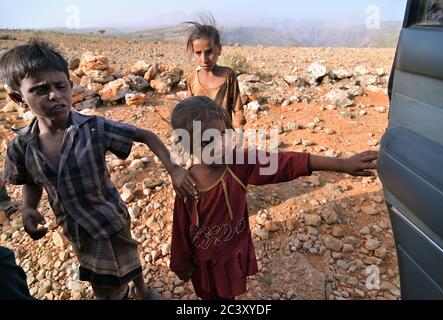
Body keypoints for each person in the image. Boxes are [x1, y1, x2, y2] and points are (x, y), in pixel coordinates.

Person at [0, 39, 198, 300]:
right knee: (100, 277)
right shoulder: (21, 146)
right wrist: (28, 207)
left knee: (129, 257)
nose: (54, 95)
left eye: (60, 86)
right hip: (76, 229)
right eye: (40, 89)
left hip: (111, 217)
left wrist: (174, 169)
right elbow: (31, 180)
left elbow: (147, 136)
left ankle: (141, 289)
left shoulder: (94, 128)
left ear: (71, 86)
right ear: (18, 98)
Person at [169, 96, 378, 300]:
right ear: (187, 145)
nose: (220, 146)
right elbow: (181, 231)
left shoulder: (238, 164)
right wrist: (181, 264)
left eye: (223, 135)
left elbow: (285, 162)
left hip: (231, 258)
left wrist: (342, 164)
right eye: (208, 141)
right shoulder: (187, 186)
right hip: (203, 265)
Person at [184, 16, 246, 129]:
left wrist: (238, 133)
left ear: (219, 49)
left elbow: (238, 109)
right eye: (198, 53)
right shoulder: (192, 78)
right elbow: (189, 111)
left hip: (224, 137)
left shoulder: (228, 76)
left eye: (209, 52)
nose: (204, 59)